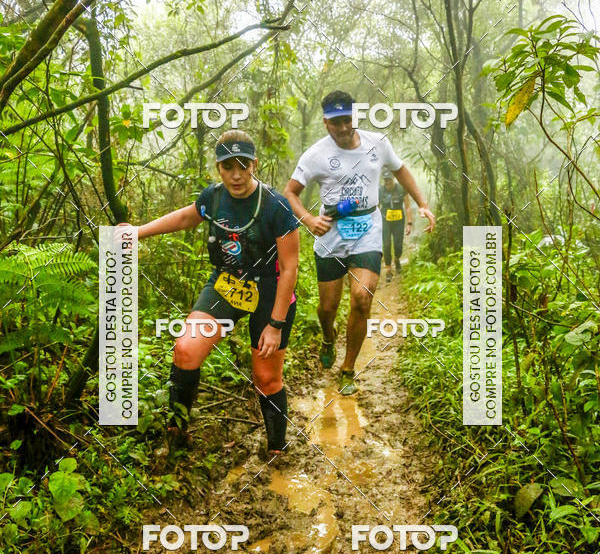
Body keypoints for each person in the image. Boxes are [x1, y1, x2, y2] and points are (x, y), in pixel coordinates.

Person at [129, 129, 299, 456]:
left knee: (266, 377)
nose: (236, 175)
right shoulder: (214, 196)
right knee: (186, 350)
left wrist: (274, 325)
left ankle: (277, 449)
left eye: (243, 165)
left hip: (270, 289)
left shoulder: (276, 205)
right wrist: (138, 232)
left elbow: (290, 268)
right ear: (218, 168)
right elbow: (184, 218)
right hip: (225, 283)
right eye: (228, 167)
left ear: (254, 164)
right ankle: (177, 433)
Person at [284, 89, 434, 395]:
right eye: (335, 121)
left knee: (362, 299)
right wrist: (309, 220)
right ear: (325, 122)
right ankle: (329, 337)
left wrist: (422, 203)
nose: (343, 128)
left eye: (348, 120)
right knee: (327, 308)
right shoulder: (315, 155)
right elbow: (290, 192)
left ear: (356, 116)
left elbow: (401, 169)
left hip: (368, 228)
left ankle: (348, 368)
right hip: (331, 233)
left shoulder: (377, 143)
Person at [380, 172, 413, 282]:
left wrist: (409, 223)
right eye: (385, 180)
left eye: (389, 179)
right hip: (385, 221)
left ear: (393, 179)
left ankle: (397, 258)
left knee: (398, 244)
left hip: (399, 221)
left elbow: (407, 206)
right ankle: (388, 270)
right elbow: (376, 207)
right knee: (386, 244)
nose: (387, 182)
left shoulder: (401, 189)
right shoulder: (380, 191)